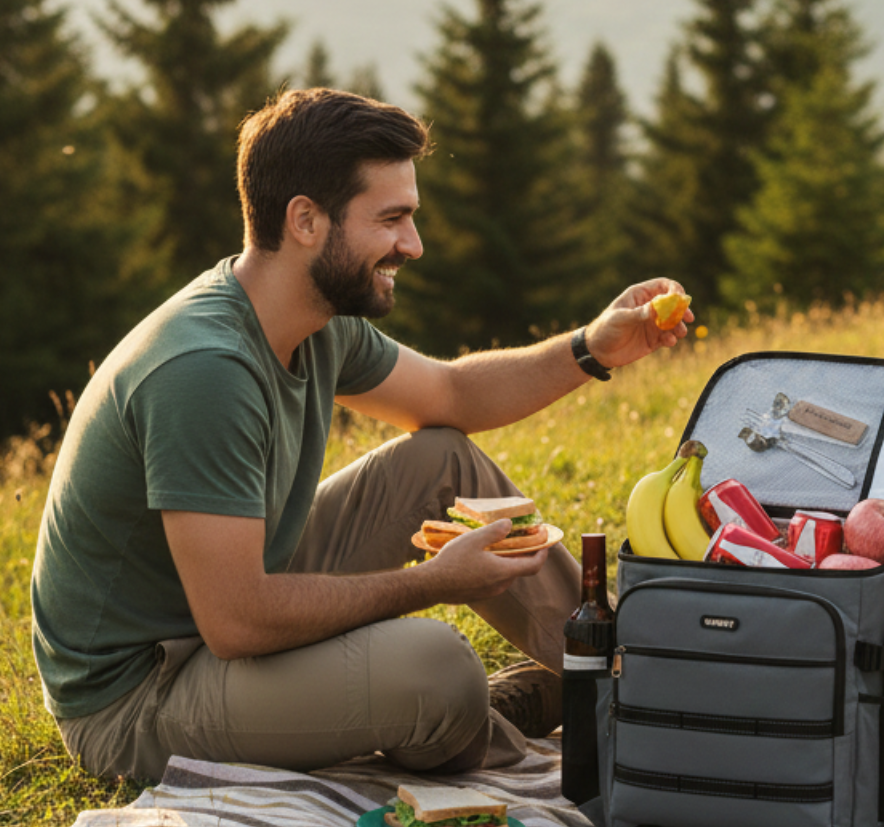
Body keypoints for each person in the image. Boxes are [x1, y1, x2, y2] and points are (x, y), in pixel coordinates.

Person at [31, 87, 692, 785]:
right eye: (392, 219)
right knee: (437, 668)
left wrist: (594, 346)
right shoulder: (206, 370)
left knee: (440, 457)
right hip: (140, 698)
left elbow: (451, 394)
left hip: (234, 604)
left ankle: (621, 678)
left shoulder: (313, 317)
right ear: (307, 220)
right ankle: (498, 728)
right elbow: (236, 624)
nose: (413, 244)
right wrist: (436, 582)